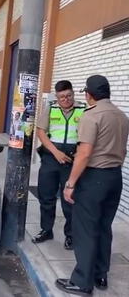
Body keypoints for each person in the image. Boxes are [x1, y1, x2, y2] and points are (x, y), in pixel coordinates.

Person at [56, 75, 129, 295]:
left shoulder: (91, 115)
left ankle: (82, 282)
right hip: (114, 178)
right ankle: (100, 275)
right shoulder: (122, 116)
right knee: (103, 227)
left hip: (93, 178)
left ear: (89, 94)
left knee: (85, 229)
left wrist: (70, 184)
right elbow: (123, 150)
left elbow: (85, 153)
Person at [33, 80, 84, 250]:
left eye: (69, 96)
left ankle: (70, 235)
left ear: (73, 94)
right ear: (56, 96)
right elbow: (41, 131)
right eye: (62, 97)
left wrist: (80, 153)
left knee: (69, 200)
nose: (65, 100)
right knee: (46, 196)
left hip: (72, 160)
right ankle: (46, 230)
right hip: (51, 157)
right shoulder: (51, 108)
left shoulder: (83, 110)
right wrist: (55, 152)